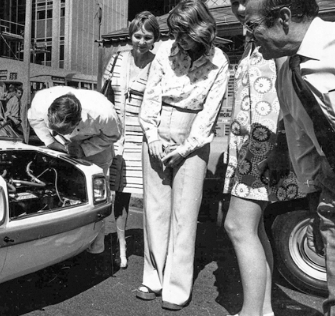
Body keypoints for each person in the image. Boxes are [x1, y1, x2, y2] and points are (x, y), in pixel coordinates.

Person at [244, 0, 335, 315]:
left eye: (253, 24)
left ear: (283, 18)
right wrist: (317, 205)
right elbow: (304, 146)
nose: (247, 32)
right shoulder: (287, 73)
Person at [136, 0, 229, 310]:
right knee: (155, 209)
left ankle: (177, 287)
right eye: (174, 32)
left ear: (200, 30)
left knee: (184, 216)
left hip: (193, 135)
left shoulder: (219, 62)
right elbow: (151, 95)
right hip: (158, 129)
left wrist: (186, 148)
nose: (178, 39)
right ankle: (154, 278)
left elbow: (210, 115)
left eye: (183, 33)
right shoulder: (164, 51)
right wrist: (151, 136)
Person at [223, 1, 305, 316]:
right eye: (234, 2)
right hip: (249, 146)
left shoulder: (276, 43)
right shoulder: (256, 42)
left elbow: (272, 110)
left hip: (260, 146)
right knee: (253, 229)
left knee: (238, 226)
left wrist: (258, 156)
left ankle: (251, 312)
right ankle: (263, 309)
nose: (240, 7)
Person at [27, 86, 121, 254]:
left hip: (97, 146)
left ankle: (96, 248)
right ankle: (66, 244)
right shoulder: (41, 102)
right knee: (63, 190)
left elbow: (114, 135)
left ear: (76, 122)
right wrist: (52, 141)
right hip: (63, 144)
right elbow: (34, 120)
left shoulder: (103, 114)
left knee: (95, 195)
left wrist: (85, 149)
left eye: (63, 129)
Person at [101, 10, 159, 270]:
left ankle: (153, 252)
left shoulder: (159, 64)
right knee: (119, 194)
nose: (142, 41)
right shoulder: (116, 60)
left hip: (145, 136)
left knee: (150, 195)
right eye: (137, 35)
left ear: (155, 38)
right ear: (130, 35)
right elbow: (103, 98)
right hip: (117, 136)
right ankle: (121, 247)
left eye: (148, 36)